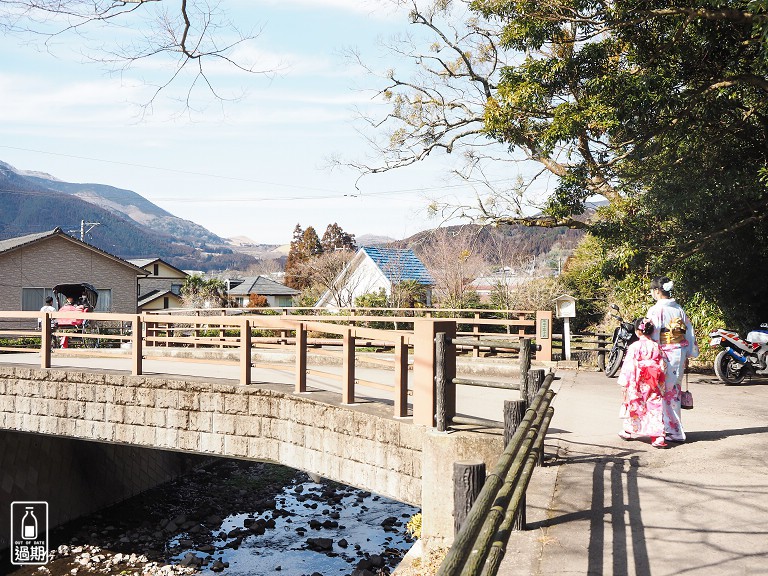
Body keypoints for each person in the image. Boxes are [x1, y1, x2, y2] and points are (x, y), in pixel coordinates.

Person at [647, 276, 699, 443]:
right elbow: (689, 333)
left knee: (664, 393)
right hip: (679, 352)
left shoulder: (656, 311)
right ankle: (671, 428)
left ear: (657, 291)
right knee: (673, 392)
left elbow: (654, 336)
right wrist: (689, 353)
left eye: (652, 291)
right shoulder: (679, 309)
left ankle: (673, 430)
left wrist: (651, 355)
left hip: (664, 355)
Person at [618, 317, 667, 447]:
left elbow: (628, 365)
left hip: (638, 380)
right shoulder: (657, 346)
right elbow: (663, 365)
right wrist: (661, 383)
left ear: (638, 331)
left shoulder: (635, 346)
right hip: (653, 380)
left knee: (636, 404)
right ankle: (658, 437)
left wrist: (624, 383)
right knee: (655, 407)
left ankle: (628, 431)